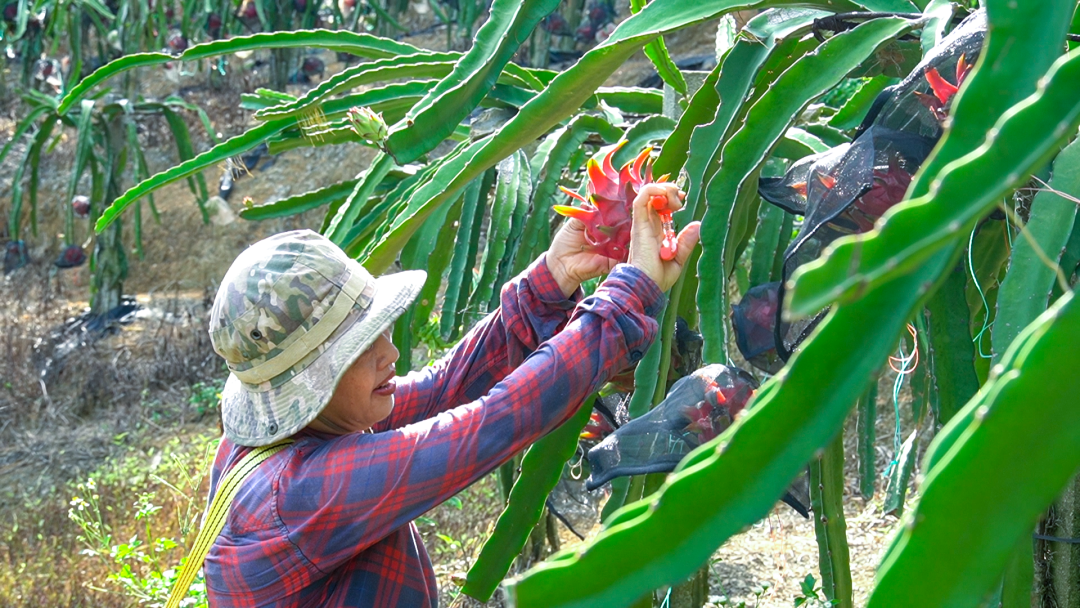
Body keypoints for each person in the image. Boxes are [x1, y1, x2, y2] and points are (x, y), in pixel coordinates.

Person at [202, 182, 701, 606]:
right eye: (358, 346)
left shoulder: (300, 428)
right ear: (309, 382)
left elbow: (447, 386)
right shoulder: (298, 495)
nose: (390, 353)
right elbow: (491, 424)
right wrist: (628, 294)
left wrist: (553, 276)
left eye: (380, 328)